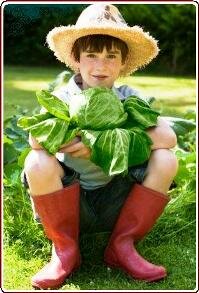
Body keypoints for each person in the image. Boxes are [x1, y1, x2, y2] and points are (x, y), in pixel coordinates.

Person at [23, 3, 178, 289]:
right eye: (91, 55)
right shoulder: (65, 96)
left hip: (117, 203)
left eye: (111, 56)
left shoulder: (128, 97)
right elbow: (36, 137)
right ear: (77, 59)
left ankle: (122, 246)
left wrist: (99, 146)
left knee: (166, 158)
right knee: (36, 160)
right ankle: (64, 251)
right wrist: (75, 138)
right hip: (71, 204)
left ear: (123, 62)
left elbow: (168, 138)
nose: (101, 65)